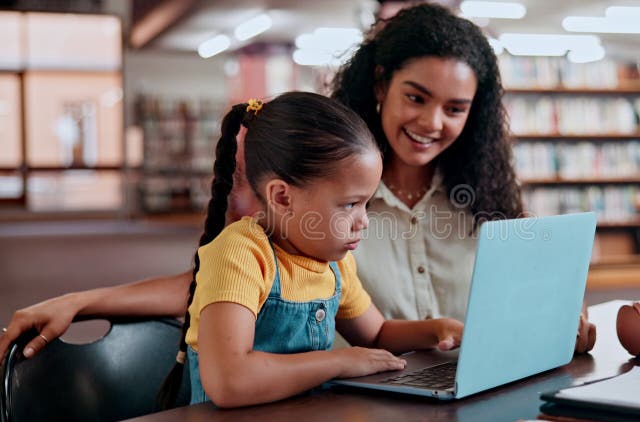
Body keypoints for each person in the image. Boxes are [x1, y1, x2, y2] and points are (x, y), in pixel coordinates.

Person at [0, 4, 595, 364]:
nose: (432, 122)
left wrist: (557, 324)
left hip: (470, 398)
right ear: (382, 83)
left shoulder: (488, 201)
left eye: (456, 107)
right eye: (417, 97)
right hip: (354, 403)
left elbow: (518, 305)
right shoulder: (318, 185)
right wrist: (80, 299)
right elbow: (223, 278)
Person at [158, 92, 463, 408]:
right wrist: (339, 362)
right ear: (282, 198)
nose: (364, 222)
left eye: (366, 204)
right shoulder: (240, 254)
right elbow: (229, 381)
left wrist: (439, 329)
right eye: (350, 204)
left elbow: (376, 334)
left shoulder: (334, 264)